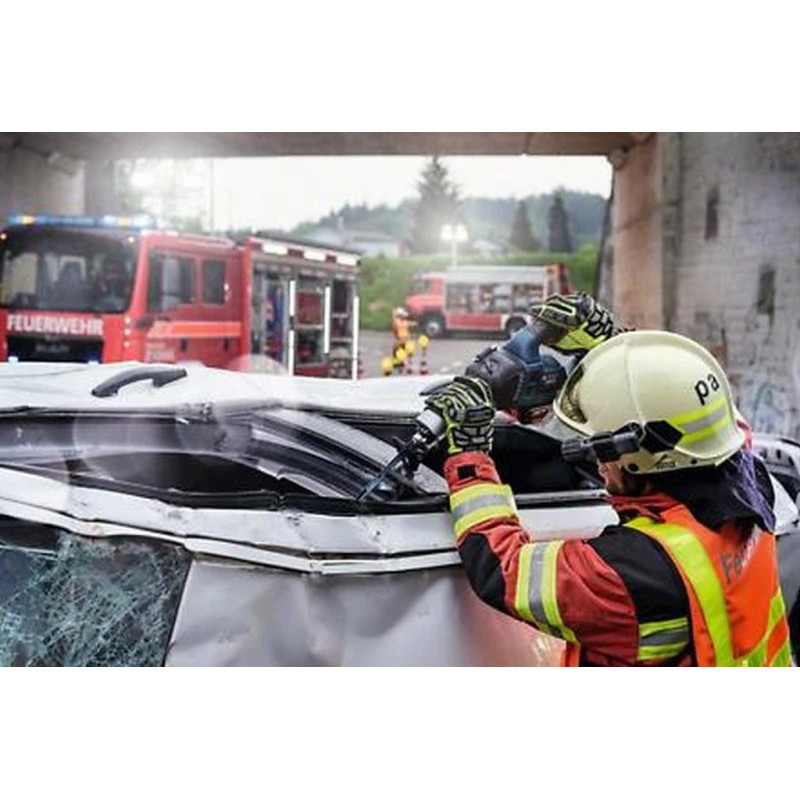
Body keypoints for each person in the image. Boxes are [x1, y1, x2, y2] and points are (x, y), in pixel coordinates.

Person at [424, 293, 792, 666]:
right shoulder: (750, 479)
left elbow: (504, 569)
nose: (597, 462)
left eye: (600, 447)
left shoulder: (629, 572)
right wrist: (612, 349)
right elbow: (692, 410)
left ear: (641, 458)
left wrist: (468, 453)